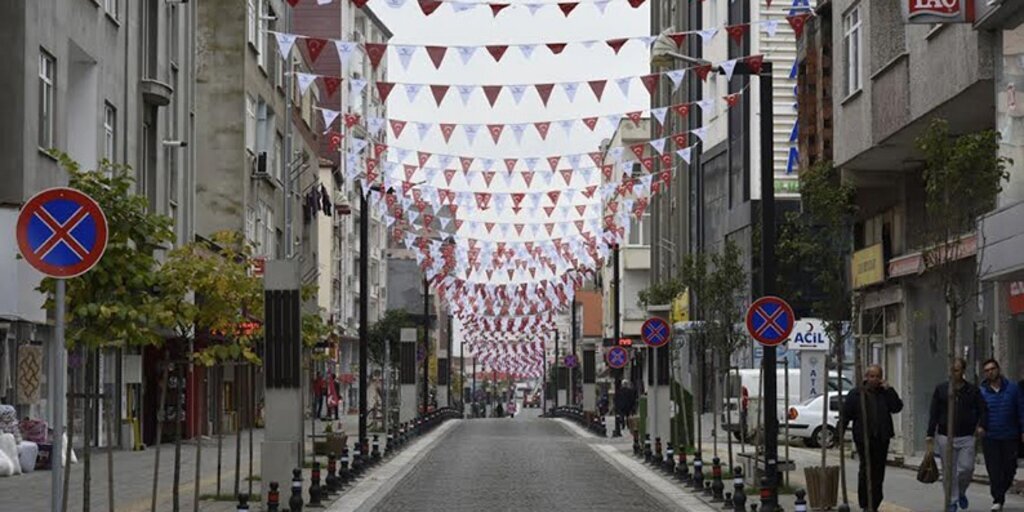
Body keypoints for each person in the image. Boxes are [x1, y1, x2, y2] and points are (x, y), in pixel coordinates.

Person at [839, 364, 903, 512]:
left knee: (878, 471)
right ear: (866, 377)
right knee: (866, 469)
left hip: (881, 437)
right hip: (863, 438)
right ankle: (865, 502)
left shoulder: (884, 393)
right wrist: (839, 435)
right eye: (872, 376)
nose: (875, 379)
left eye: (878, 376)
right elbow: (845, 415)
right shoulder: (856, 394)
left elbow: (897, 407)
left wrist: (889, 389)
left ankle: (874, 503)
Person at [928, 358, 988, 512]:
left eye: (957, 370)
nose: (953, 373)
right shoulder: (941, 389)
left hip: (967, 436)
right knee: (948, 471)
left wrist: (981, 425)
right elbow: (934, 412)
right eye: (951, 370)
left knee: (966, 468)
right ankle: (952, 500)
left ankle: (961, 492)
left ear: (963, 371)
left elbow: (983, 409)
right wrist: (930, 433)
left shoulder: (972, 390)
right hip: (944, 435)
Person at [979, 358, 1023, 511]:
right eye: (987, 370)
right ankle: (998, 499)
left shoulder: (1013, 388)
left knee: (1010, 468)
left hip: (1010, 435)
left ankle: (1001, 490)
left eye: (992, 369)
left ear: (998, 369)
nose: (990, 372)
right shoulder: (982, 391)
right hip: (990, 437)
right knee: (994, 470)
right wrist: (978, 427)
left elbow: (1021, 410)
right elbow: (976, 412)